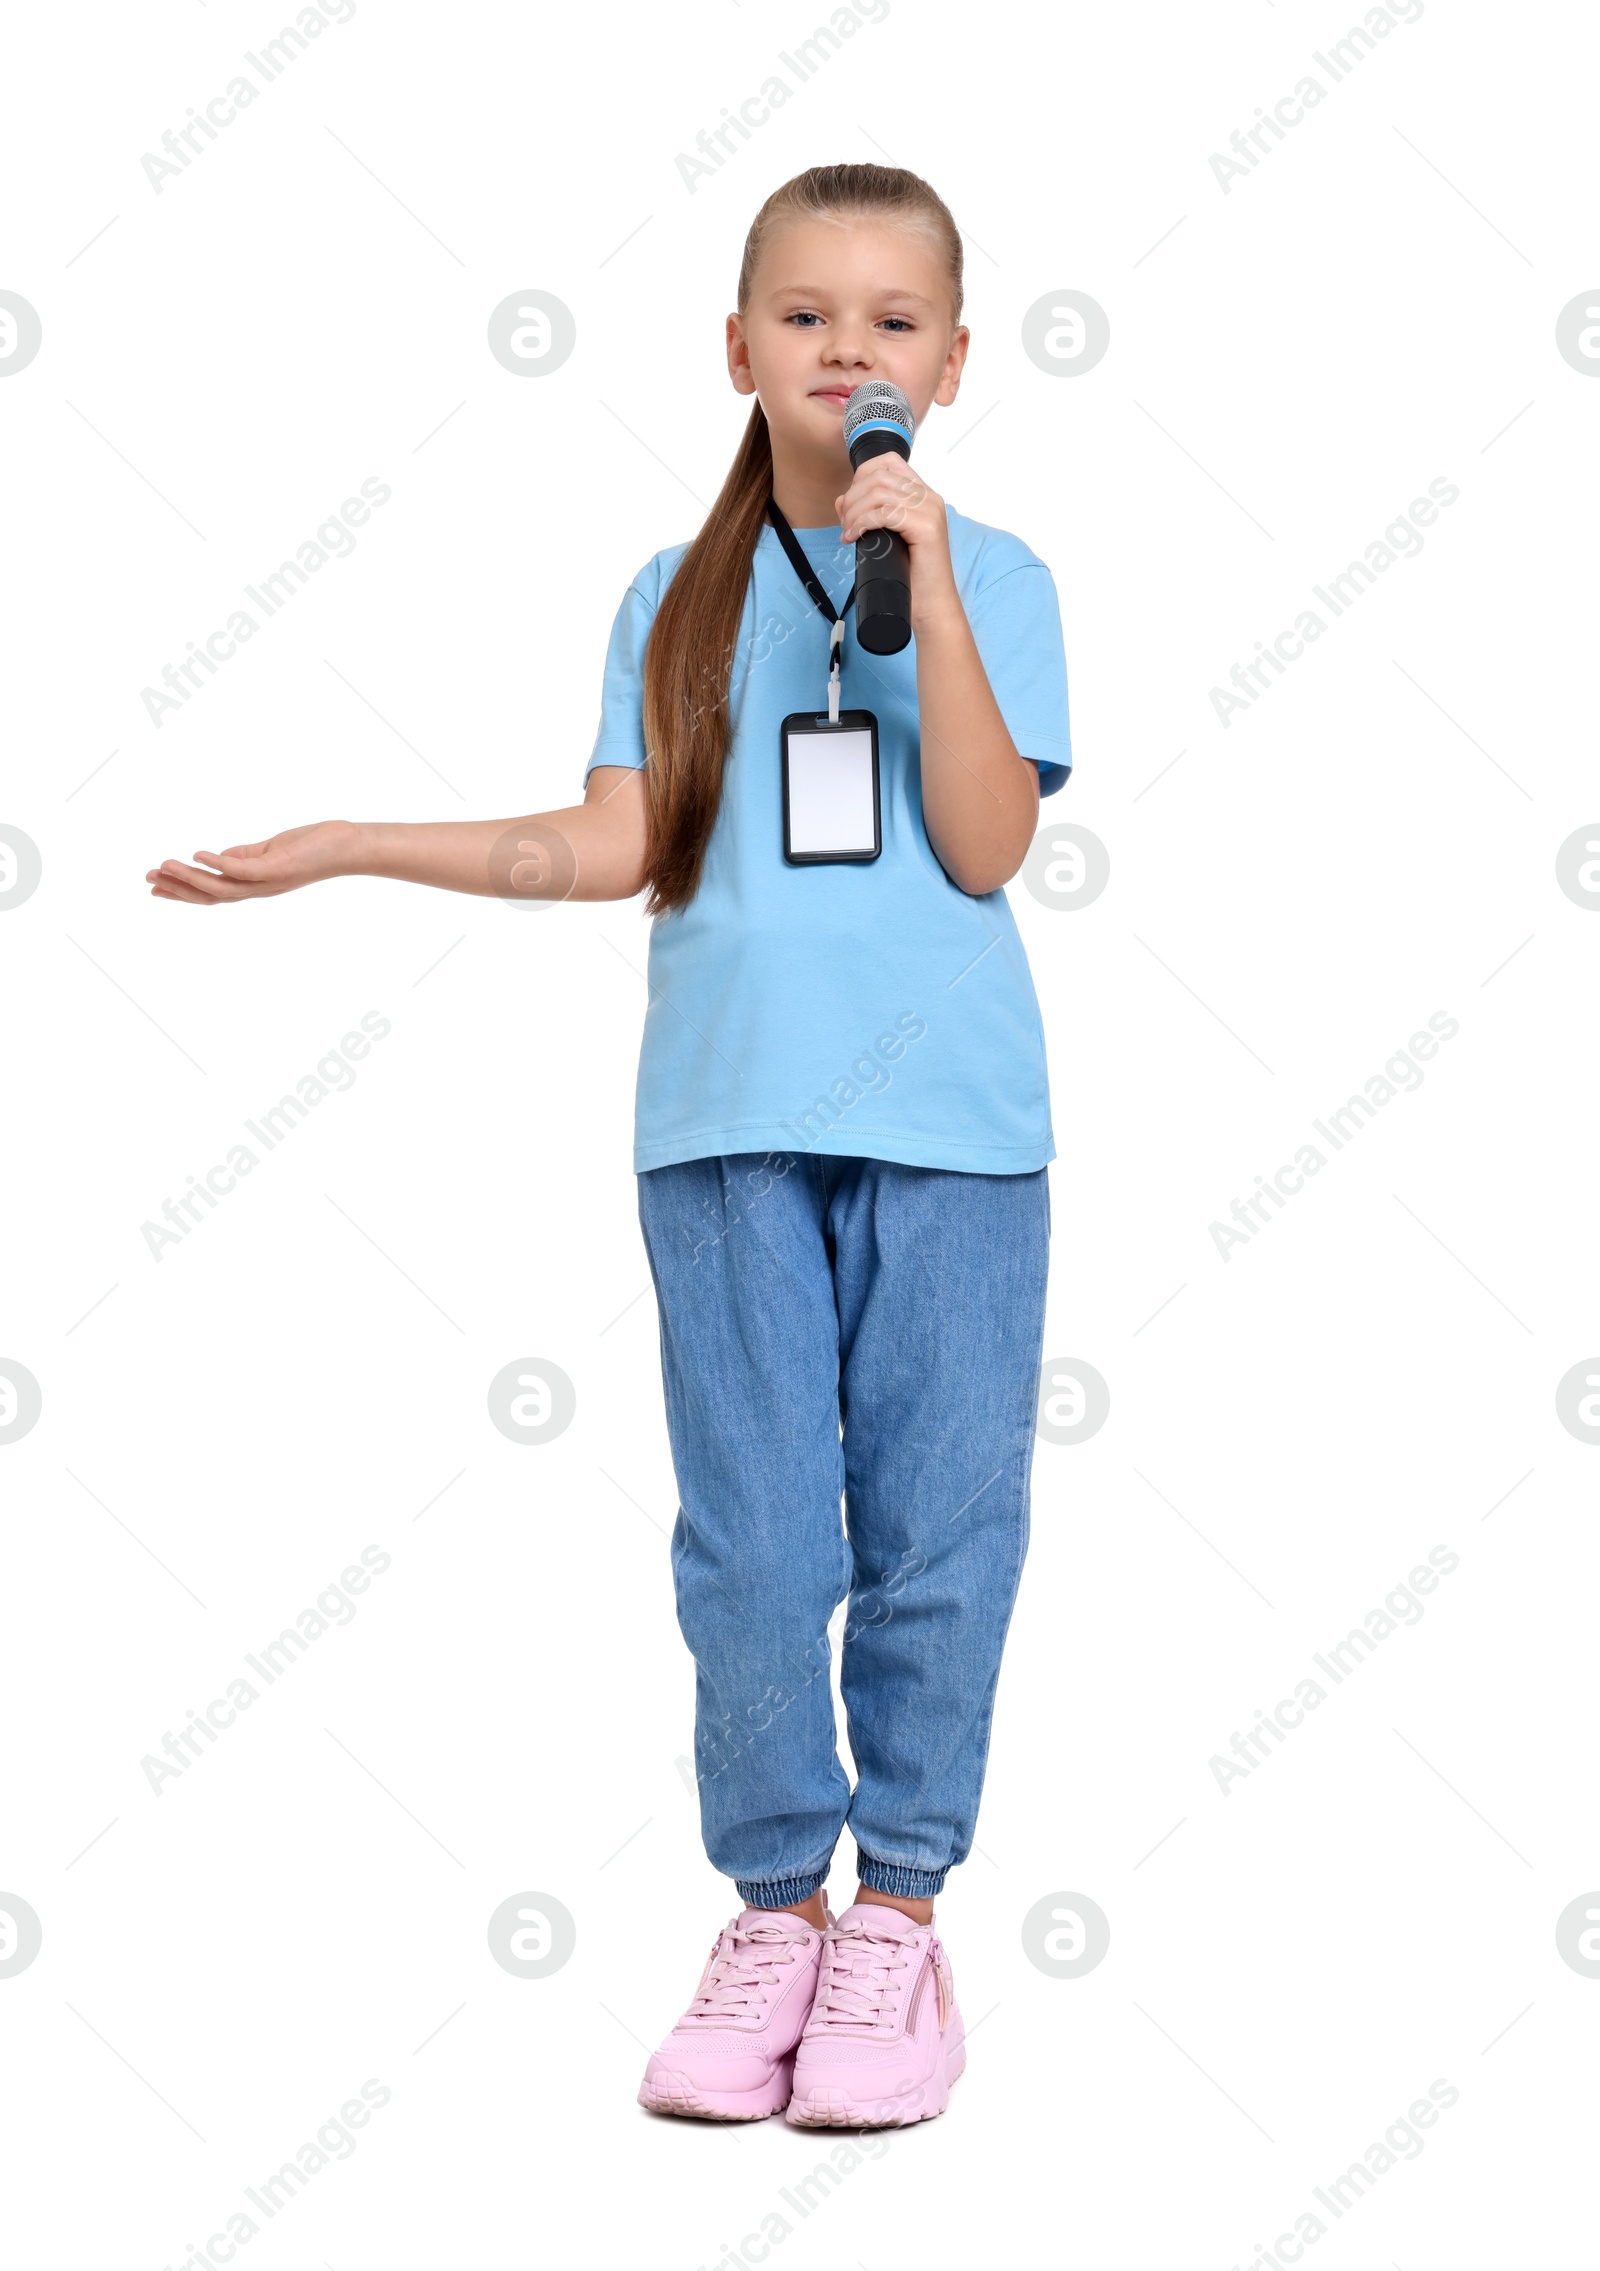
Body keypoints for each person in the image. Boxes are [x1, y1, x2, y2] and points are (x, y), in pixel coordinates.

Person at [146, 162, 1072, 2128]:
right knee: (750, 1544)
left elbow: (987, 841)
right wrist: (351, 844)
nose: (848, 349)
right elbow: (605, 846)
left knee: (933, 1536)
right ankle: (776, 1912)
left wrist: (925, 604)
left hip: (951, 1139)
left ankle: (899, 1921)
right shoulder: (672, 598)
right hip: (721, 1133)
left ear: (955, 363)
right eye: (805, 315)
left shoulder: (993, 580)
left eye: (891, 321)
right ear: (733, 350)